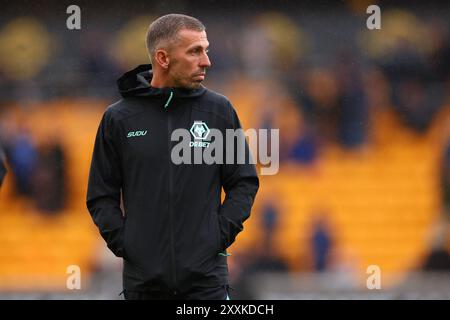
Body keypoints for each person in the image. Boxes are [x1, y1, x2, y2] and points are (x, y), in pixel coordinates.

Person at [86, 14, 259, 300]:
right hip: (143, 285)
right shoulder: (119, 119)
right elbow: (100, 195)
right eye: (195, 51)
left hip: (207, 286)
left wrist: (216, 236)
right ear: (163, 58)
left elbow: (244, 183)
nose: (206, 61)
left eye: (206, 50)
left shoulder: (219, 111)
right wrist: (128, 243)